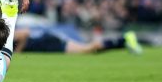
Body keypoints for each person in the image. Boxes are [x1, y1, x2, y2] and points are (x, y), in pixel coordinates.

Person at [14, 27, 144, 55]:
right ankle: (124, 42)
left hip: (49, 42)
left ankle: (125, 38)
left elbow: (25, 33)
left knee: (87, 49)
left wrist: (18, 53)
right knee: (90, 50)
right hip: (48, 43)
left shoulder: (4, 35)